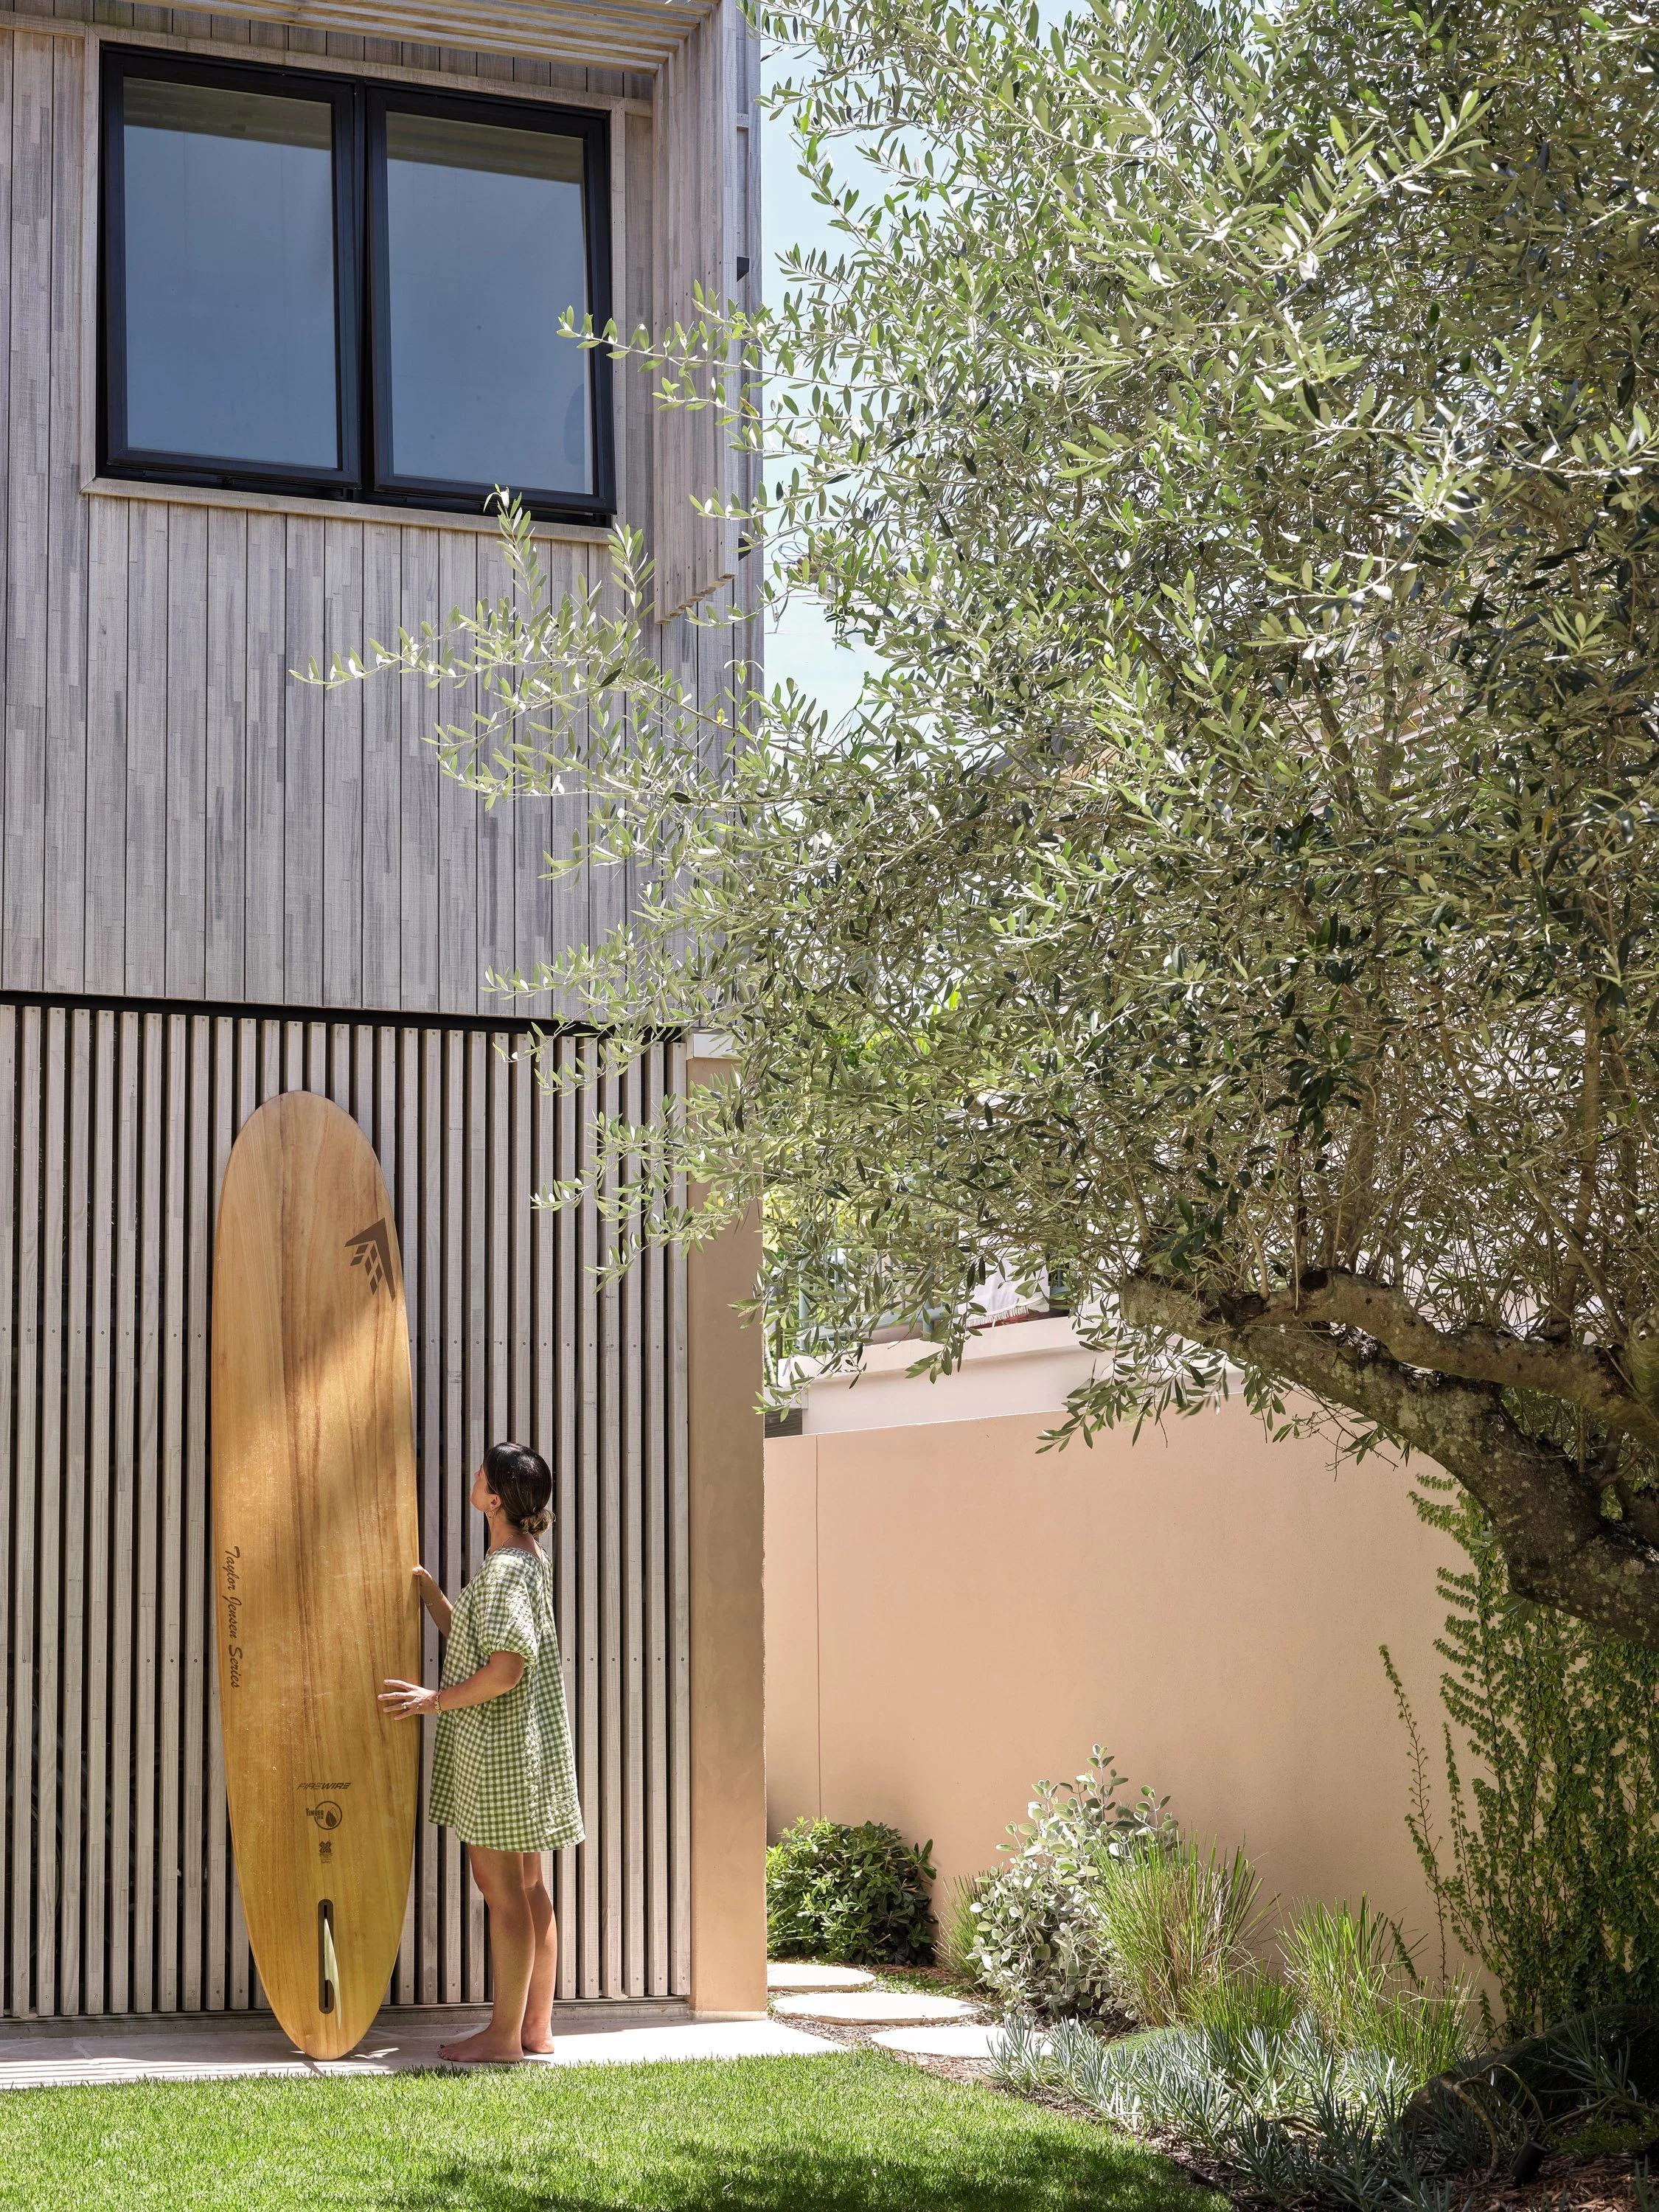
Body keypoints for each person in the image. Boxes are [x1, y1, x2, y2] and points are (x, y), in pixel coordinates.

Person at [379, 1440, 582, 2064]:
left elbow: (505, 1668)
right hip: (526, 1747)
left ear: (493, 1499)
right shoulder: (526, 1559)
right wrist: (432, 1594)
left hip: (500, 1751)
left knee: (502, 1890)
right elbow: (478, 1640)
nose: (473, 1474)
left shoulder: (505, 1572)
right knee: (527, 1885)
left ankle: (502, 2037)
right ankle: (535, 2028)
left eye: (482, 1473)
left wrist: (431, 1701)